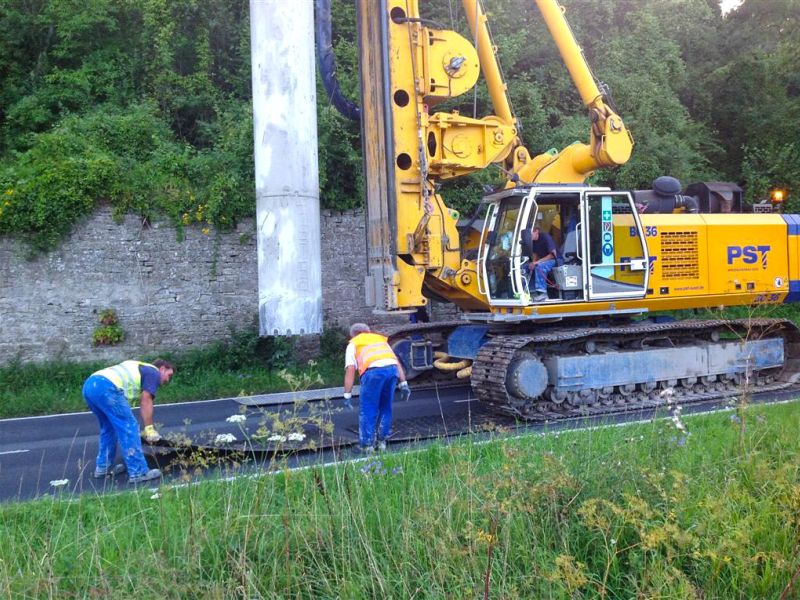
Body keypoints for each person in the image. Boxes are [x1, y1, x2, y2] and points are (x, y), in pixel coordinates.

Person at [82, 359, 175, 483]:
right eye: (169, 375)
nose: (167, 380)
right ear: (162, 368)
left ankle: (103, 468)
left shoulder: (139, 367)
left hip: (90, 385)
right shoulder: (153, 372)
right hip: (107, 387)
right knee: (129, 426)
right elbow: (146, 401)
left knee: (109, 428)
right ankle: (138, 472)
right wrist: (149, 429)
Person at [342, 323, 409, 452]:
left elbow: (350, 369)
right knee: (385, 407)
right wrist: (403, 384)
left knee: (368, 409)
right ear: (368, 331)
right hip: (391, 371)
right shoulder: (380, 339)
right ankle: (382, 442)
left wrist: (347, 395)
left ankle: (367, 445)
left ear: (354, 335)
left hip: (373, 373)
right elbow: (396, 361)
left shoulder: (354, 344)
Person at [526, 226, 558, 302]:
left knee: (540, 267)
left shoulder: (546, 237)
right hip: (543, 260)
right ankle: (532, 292)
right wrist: (533, 262)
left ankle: (543, 294)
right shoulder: (533, 242)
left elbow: (553, 255)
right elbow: (535, 254)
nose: (529, 237)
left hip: (555, 260)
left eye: (530, 234)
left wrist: (537, 262)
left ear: (536, 231)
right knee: (526, 267)